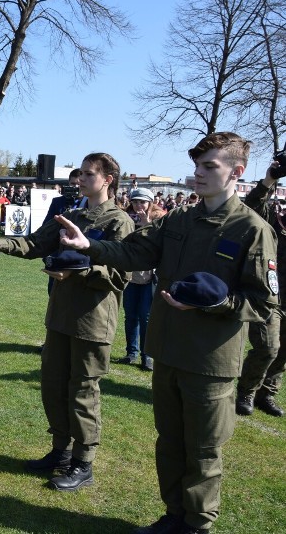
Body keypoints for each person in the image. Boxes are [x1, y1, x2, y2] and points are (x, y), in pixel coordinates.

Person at [55, 132, 278, 534]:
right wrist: (90, 245)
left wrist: (215, 303)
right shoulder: (179, 219)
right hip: (168, 350)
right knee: (169, 441)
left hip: (210, 361)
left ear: (237, 172)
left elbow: (264, 304)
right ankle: (175, 515)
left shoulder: (252, 229)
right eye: (196, 166)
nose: (198, 174)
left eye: (209, 166)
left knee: (203, 451)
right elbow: (135, 253)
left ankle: (197, 525)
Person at [0, 152, 134, 492]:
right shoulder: (70, 215)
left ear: (108, 180)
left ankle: (83, 463)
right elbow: (34, 243)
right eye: (82, 173)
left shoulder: (118, 222)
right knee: (53, 387)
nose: (81, 179)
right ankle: (60, 452)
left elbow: (121, 274)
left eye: (90, 174)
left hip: (93, 322)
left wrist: (79, 271)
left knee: (83, 392)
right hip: (60, 317)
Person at [234, 158, 285, 417]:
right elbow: (250, 206)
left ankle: (267, 392)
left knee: (282, 354)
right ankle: (246, 391)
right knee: (268, 348)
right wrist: (269, 179)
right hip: (270, 299)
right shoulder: (273, 223)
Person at [118, 187, 165, 371]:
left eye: (143, 202)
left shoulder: (159, 220)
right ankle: (131, 353)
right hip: (130, 275)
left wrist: (147, 224)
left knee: (145, 317)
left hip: (149, 277)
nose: (139, 205)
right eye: (136, 201)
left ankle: (147, 357)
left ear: (150, 203)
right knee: (130, 316)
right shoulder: (126, 219)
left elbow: (159, 246)